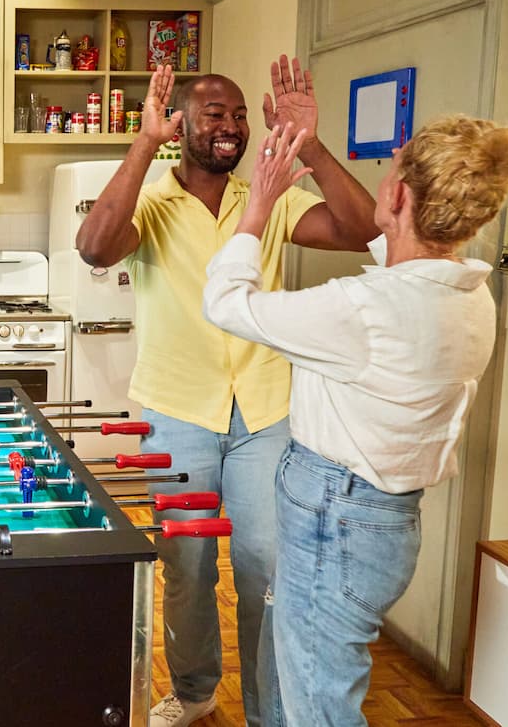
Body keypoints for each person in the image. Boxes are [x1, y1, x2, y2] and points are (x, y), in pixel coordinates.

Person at [75, 57, 381, 727]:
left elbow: (364, 230)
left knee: (266, 567)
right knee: (186, 563)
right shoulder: (152, 204)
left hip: (265, 412)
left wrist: (311, 144)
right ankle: (193, 690)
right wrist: (144, 142)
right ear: (181, 122)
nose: (232, 127)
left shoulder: (266, 199)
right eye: (215, 114)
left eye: (240, 115)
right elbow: (95, 248)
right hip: (179, 410)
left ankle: (270, 712)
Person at [203, 116, 508, 726]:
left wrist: (262, 206)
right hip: (381, 523)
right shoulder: (466, 294)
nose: (381, 180)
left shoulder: (365, 309)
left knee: (319, 706)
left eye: (389, 171)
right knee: (310, 681)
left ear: (399, 196)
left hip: (337, 520)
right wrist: (313, 146)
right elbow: (393, 251)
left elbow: (225, 302)